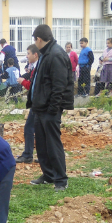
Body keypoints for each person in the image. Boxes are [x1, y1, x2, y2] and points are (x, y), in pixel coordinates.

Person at [28, 24, 74, 192]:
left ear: (39, 39)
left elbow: (59, 86)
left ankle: (61, 179)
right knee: (41, 144)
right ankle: (48, 175)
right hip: (40, 108)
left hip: (50, 110)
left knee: (53, 144)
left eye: (35, 40)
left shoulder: (55, 55)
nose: (35, 43)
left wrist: (53, 109)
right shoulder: (45, 54)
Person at [15, 45, 40, 164]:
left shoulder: (38, 67)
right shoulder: (36, 66)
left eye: (28, 53)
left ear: (35, 55)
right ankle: (42, 155)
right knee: (39, 129)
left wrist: (22, 82)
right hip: (39, 102)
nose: (27, 56)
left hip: (38, 103)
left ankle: (28, 154)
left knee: (29, 127)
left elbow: (33, 86)